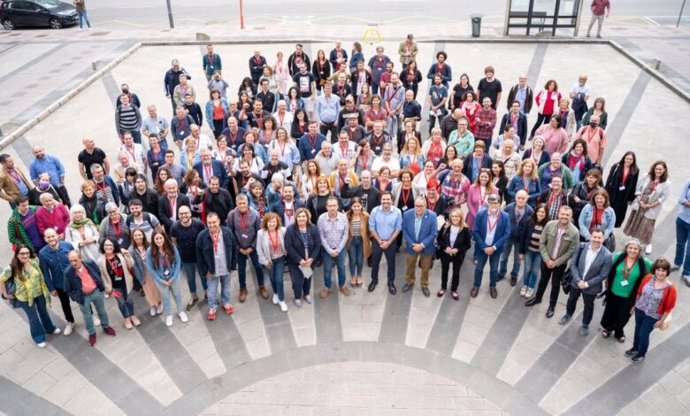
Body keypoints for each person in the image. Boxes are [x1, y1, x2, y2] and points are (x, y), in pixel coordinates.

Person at [525, 206, 580, 318]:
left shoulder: (574, 232)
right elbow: (542, 242)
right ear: (558, 214)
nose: (564, 217)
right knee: (543, 280)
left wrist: (556, 262)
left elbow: (571, 251)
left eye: (567, 215)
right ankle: (538, 298)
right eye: (562, 214)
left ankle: (552, 306)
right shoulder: (549, 225)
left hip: (560, 264)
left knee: (555, 285)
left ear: (571, 216)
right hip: (546, 260)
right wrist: (547, 259)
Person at [1, 245, 60, 348]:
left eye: (27, 253)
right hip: (25, 297)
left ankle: (49, 328)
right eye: (22, 253)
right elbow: (1, 280)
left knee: (43, 312)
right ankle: (38, 337)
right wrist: (5, 294)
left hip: (39, 293)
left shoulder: (34, 261)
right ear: (17, 254)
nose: (25, 255)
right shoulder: (11, 268)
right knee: (33, 317)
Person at [559, 228, 612, 336]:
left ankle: (585, 324)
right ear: (590, 237)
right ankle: (568, 314)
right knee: (571, 299)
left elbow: (603, 275)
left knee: (588, 305)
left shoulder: (607, 255)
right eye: (594, 237)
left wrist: (586, 284)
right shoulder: (581, 246)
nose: (596, 240)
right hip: (576, 281)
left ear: (603, 238)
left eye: (599, 237)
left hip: (591, 287)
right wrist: (578, 280)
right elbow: (573, 264)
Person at [625, 258, 676, 362]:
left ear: (667, 272)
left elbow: (669, 307)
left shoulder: (671, 288)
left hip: (653, 315)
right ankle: (635, 348)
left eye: (663, 270)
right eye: (658, 270)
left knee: (643, 334)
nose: (660, 273)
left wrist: (661, 321)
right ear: (655, 269)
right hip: (640, 309)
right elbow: (639, 292)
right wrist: (634, 306)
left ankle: (641, 353)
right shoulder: (648, 277)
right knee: (637, 329)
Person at [600, 239, 651, 342]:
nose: (632, 250)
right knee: (610, 311)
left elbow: (654, 273)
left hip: (629, 295)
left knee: (624, 315)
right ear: (626, 249)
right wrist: (606, 282)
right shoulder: (619, 256)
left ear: (639, 250)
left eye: (635, 248)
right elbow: (610, 269)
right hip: (613, 291)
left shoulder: (645, 263)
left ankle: (619, 331)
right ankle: (608, 328)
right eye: (630, 248)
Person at [64, 250, 116, 346]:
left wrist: (100, 287)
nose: (73, 263)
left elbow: (97, 273)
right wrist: (76, 297)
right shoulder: (68, 272)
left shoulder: (90, 263)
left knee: (102, 311)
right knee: (87, 316)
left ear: (81, 258)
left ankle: (106, 326)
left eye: (75, 260)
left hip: (96, 292)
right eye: (70, 261)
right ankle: (92, 333)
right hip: (83, 297)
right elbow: (67, 289)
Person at [624, 161, 670, 255]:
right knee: (636, 224)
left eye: (660, 169)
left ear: (664, 170)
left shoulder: (667, 183)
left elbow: (662, 198)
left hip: (652, 207)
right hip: (640, 204)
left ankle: (648, 243)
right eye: (656, 169)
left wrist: (649, 205)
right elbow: (638, 189)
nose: (658, 171)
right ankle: (634, 242)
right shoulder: (646, 176)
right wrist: (640, 201)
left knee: (647, 227)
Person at [471, 194, 511, 299]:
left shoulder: (505, 217)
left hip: (496, 249)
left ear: (500, 204)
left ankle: (492, 286)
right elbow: (475, 231)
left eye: (496, 202)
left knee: (494, 270)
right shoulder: (480, 214)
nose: (493, 205)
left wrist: (493, 248)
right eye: (491, 203)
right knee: (479, 269)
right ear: (488, 204)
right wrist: (484, 247)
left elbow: (506, 234)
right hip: (482, 248)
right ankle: (476, 285)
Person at [38, 228, 76, 335]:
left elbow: (77, 261)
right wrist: (51, 288)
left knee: (82, 299)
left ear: (57, 236)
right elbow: (45, 272)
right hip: (59, 283)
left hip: (74, 280)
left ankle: (90, 314)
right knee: (65, 304)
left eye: (53, 236)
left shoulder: (67, 245)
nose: (51, 239)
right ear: (45, 239)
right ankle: (70, 321)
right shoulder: (42, 253)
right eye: (48, 237)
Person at [146, 230, 187, 327]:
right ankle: (169, 314)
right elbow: (150, 268)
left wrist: (174, 276)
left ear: (164, 238)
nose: (159, 240)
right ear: (153, 240)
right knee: (165, 297)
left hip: (174, 277)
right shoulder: (150, 251)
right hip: (160, 280)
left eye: (160, 238)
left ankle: (180, 311)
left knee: (177, 294)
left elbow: (178, 262)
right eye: (156, 238)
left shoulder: (171, 247)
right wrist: (160, 280)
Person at [169, 205, 207, 309]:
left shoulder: (198, 224)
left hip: (199, 257)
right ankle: (194, 296)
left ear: (190, 213)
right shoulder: (175, 227)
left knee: (203, 276)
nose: (183, 215)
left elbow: (205, 238)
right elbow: (174, 242)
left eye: (185, 213)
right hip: (186, 259)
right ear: (178, 215)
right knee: (190, 278)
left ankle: (207, 293)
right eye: (181, 214)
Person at [97, 238, 139, 330]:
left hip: (126, 282)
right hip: (115, 287)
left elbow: (131, 265)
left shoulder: (120, 254)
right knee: (121, 302)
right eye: (106, 245)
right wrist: (108, 289)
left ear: (114, 246)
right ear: (102, 247)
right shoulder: (100, 261)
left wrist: (127, 255)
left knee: (129, 300)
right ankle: (126, 318)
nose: (108, 247)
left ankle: (132, 315)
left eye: (110, 245)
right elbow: (102, 277)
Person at [401, 196, 438, 297]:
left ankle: (424, 284)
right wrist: (412, 243)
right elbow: (404, 230)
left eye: (421, 206)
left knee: (426, 267)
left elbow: (433, 233)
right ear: (414, 205)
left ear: (425, 206)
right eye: (417, 206)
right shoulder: (407, 214)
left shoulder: (432, 215)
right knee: (410, 265)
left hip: (426, 247)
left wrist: (422, 245)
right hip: (411, 246)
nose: (419, 208)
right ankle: (409, 282)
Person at [284, 208, 320, 307]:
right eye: (299, 216)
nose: (301, 218)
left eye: (303, 216)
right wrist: (300, 260)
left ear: (307, 217)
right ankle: (297, 296)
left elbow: (318, 245)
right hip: (296, 262)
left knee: (307, 277)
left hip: (310, 261)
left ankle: (307, 293)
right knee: (298, 280)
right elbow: (288, 246)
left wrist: (311, 259)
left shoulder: (313, 228)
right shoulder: (291, 229)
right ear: (296, 218)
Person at [368, 192, 403, 294]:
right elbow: (372, 227)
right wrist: (379, 241)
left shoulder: (397, 212)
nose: (386, 201)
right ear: (380, 200)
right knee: (375, 262)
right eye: (384, 199)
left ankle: (391, 282)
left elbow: (398, 228)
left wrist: (388, 242)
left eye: (388, 199)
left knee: (391, 263)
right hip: (377, 241)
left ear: (392, 200)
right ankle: (374, 280)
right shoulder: (374, 211)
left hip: (391, 242)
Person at [317, 196, 350, 298]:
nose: (332, 208)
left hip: (341, 248)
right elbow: (321, 236)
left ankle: (342, 285)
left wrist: (338, 249)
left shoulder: (343, 218)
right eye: (330, 206)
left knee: (341, 267)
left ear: (338, 206)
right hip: (327, 250)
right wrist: (330, 250)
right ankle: (327, 286)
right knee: (327, 269)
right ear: (326, 207)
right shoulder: (321, 219)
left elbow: (345, 235)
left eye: (334, 205)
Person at [499, 190, 534, 286]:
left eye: (523, 198)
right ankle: (501, 272)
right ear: (515, 198)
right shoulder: (509, 207)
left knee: (517, 259)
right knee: (504, 256)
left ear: (527, 199)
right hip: (508, 237)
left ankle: (514, 275)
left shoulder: (530, 211)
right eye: (519, 198)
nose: (521, 200)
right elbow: (501, 220)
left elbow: (531, 226)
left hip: (520, 239)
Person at [435, 208, 471, 300]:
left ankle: (454, 290)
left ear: (461, 217)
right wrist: (445, 247)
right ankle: (443, 288)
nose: (455, 218)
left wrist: (458, 250)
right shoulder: (446, 226)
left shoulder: (465, 229)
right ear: (450, 217)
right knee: (444, 271)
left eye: (457, 216)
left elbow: (468, 245)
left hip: (457, 255)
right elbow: (439, 239)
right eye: (453, 216)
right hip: (445, 254)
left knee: (456, 272)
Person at [256, 212, 288, 311]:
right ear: (266, 223)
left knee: (279, 279)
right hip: (269, 260)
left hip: (280, 258)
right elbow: (259, 249)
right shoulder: (261, 233)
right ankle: (276, 293)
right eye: (270, 222)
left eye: (274, 221)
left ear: (277, 222)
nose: (272, 224)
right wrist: (265, 262)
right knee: (272, 279)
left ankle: (282, 300)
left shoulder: (283, 230)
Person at [129, 228, 162, 317]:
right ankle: (153, 305)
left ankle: (159, 304)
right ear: (133, 237)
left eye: (139, 235)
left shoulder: (150, 245)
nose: (138, 237)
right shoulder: (131, 250)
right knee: (147, 290)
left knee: (156, 288)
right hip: (142, 272)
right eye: (135, 235)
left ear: (143, 235)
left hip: (153, 270)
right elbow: (133, 265)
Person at [518, 203, 548, 298]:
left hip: (539, 253)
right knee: (527, 269)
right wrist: (521, 252)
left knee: (535, 271)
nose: (541, 213)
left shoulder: (548, 224)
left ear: (546, 213)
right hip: (529, 250)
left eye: (543, 212)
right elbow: (522, 237)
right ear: (536, 212)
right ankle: (525, 285)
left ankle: (531, 287)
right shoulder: (529, 221)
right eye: (539, 211)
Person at [604, 151, 639, 228]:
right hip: (613, 192)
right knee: (609, 208)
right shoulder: (616, 166)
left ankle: (613, 225)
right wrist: (605, 192)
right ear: (624, 158)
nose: (628, 161)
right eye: (627, 158)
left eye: (631, 159)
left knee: (618, 211)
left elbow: (634, 184)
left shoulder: (635, 170)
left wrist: (631, 198)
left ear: (633, 161)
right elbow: (609, 179)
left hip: (624, 195)